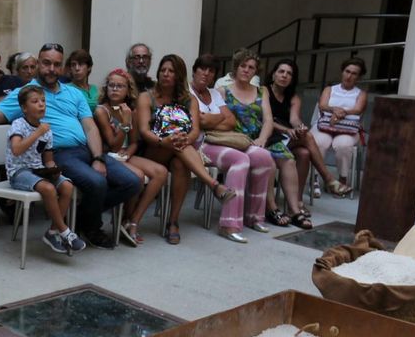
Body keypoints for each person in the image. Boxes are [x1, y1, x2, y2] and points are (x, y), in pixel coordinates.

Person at [0, 44, 140, 249]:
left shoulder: (74, 94)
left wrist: (98, 158)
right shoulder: (26, 94)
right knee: (97, 183)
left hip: (87, 152)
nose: (52, 69)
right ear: (38, 64)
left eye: (57, 64)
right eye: (46, 63)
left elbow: (90, 129)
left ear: (62, 67)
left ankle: (80, 219)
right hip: (58, 154)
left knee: (132, 182)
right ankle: (91, 227)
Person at [137, 54, 234, 244]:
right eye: (163, 70)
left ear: (178, 75)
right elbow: (143, 130)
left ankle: (173, 222)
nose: (165, 74)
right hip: (153, 150)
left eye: (171, 71)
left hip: (178, 149)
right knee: (179, 147)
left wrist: (183, 139)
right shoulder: (146, 97)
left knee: (181, 164)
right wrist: (164, 141)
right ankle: (213, 184)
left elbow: (195, 130)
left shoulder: (189, 100)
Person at [6, 83, 84, 254]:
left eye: (43, 100)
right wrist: (37, 132)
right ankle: (65, 231)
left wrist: (54, 170)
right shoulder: (18, 124)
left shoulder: (46, 130)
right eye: (35, 101)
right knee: (48, 189)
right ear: (24, 108)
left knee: (67, 186)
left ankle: (52, 232)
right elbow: (17, 150)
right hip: (19, 172)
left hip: (38, 170)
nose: (41, 104)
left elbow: (47, 160)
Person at [95, 69, 169, 246]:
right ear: (106, 89)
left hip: (124, 154)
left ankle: (132, 220)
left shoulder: (131, 111)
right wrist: (125, 123)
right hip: (107, 156)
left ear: (128, 90)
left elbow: (135, 141)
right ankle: (123, 219)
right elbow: (112, 144)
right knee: (137, 176)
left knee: (161, 172)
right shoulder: (101, 111)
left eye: (120, 86)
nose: (115, 89)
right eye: (111, 85)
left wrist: (129, 152)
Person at [217, 49, 282, 237]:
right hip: (231, 140)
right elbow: (217, 119)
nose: (246, 70)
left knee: (265, 157)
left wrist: (262, 139)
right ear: (236, 68)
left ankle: (255, 217)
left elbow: (268, 119)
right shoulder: (223, 91)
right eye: (243, 66)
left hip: (253, 140)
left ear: (256, 71)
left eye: (251, 67)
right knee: (242, 160)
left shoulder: (261, 91)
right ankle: (230, 222)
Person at [262, 58, 315, 229]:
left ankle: (294, 208)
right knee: (306, 143)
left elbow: (294, 119)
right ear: (273, 73)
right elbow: (265, 120)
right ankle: (328, 179)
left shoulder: (292, 97)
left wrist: (300, 127)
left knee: (303, 153)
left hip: (283, 138)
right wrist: (286, 130)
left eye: (289, 73)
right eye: (281, 71)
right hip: (268, 135)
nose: (284, 76)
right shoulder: (264, 91)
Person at [307, 57, 366, 196]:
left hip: (348, 128)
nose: (349, 76)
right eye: (347, 71)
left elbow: (358, 110)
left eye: (354, 73)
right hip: (325, 125)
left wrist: (340, 113)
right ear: (342, 72)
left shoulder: (361, 94)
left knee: (343, 146)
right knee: (319, 143)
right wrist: (334, 110)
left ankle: (342, 179)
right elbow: (322, 105)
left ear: (359, 77)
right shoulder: (330, 89)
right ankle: (314, 179)